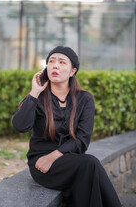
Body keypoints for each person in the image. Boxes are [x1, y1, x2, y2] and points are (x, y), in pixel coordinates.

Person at [12, 46, 121, 207]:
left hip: (69, 160)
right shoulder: (38, 97)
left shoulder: (84, 99)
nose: (55, 65)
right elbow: (20, 126)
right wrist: (34, 93)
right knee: (89, 165)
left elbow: (82, 140)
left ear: (72, 71)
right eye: (51, 61)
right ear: (46, 68)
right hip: (40, 164)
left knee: (87, 169)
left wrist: (53, 157)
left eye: (62, 62)